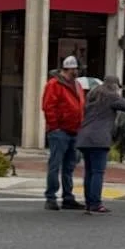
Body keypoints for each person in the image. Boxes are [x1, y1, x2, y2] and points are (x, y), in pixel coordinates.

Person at [74, 75, 125, 214]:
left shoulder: (92, 96)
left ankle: (88, 202)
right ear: (114, 85)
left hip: (85, 137)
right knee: (98, 172)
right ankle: (96, 203)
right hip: (99, 139)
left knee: (89, 172)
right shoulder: (110, 97)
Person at [41, 55, 85, 211]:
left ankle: (67, 196)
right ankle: (51, 197)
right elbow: (48, 106)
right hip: (60, 131)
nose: (78, 71)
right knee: (56, 165)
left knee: (69, 166)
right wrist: (55, 126)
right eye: (76, 69)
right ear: (70, 69)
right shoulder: (54, 84)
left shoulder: (77, 85)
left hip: (73, 130)